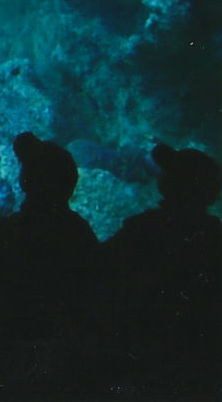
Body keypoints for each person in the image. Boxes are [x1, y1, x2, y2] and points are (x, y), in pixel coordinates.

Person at [0, 131, 98, 396]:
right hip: (67, 345)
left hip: (12, 341)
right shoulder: (79, 230)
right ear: (71, 182)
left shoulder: (5, 231)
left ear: (24, 181)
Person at [103, 143, 221, 397]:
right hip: (201, 367)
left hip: (141, 359)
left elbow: (99, 272)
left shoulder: (140, 231)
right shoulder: (215, 239)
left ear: (168, 185)